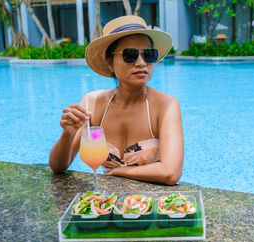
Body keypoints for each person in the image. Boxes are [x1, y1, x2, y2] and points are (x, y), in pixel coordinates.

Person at [49, 15, 184, 185]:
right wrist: (67, 135)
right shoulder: (93, 104)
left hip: (151, 206)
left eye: (148, 55)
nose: (141, 63)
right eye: (130, 55)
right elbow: (58, 167)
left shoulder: (165, 105)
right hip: (107, 205)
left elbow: (170, 173)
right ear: (110, 63)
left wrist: (119, 171)